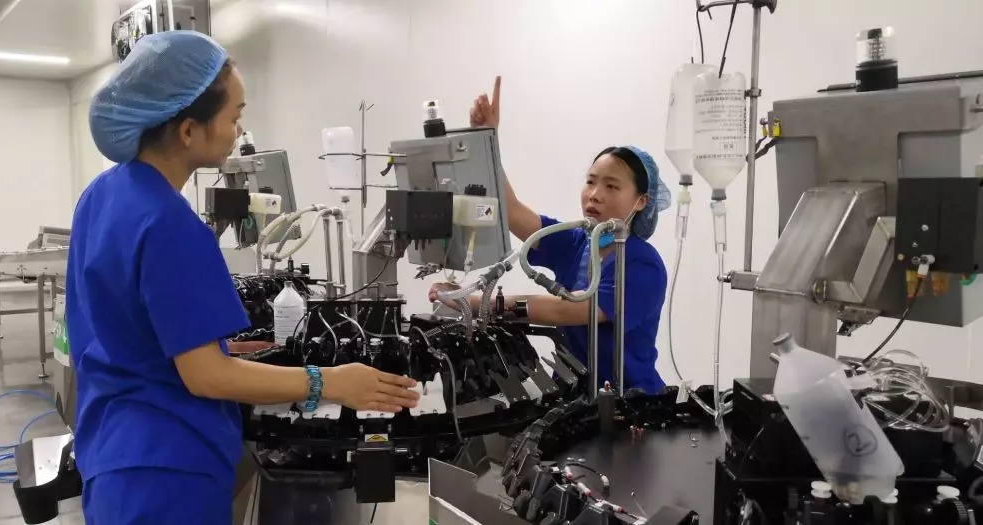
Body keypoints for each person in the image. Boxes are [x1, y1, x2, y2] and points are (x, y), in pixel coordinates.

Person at [67, 31, 419, 524]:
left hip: (112, 456)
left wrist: (218, 347)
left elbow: (121, 325)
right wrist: (332, 382)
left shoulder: (101, 194)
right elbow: (207, 377)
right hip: (167, 473)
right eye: (234, 117)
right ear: (188, 130)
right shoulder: (170, 224)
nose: (239, 130)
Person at [429, 76, 671, 394]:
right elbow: (511, 211)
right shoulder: (576, 242)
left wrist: (474, 302)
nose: (594, 194)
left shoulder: (643, 265)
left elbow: (564, 309)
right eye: (591, 181)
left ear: (641, 201)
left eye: (611, 186)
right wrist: (486, 139)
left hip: (629, 401)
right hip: (574, 394)